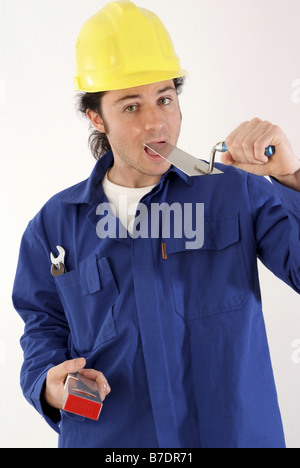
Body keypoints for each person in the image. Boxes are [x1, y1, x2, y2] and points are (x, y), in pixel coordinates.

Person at [12, 1, 300, 449]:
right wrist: (50, 385)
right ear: (96, 118)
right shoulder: (53, 227)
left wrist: (292, 179)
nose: (156, 122)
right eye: (130, 107)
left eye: (165, 98)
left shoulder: (234, 193)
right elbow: (42, 329)